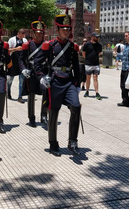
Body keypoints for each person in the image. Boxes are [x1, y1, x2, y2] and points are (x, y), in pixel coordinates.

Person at [35, 10, 82, 157]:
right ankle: (53, 143)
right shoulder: (49, 45)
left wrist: (78, 84)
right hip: (54, 81)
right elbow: (36, 63)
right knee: (53, 112)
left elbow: (76, 67)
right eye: (64, 28)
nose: (67, 31)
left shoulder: (73, 47)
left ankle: (72, 141)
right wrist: (42, 77)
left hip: (68, 81)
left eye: (68, 29)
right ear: (57, 29)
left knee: (76, 106)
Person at [19, 16, 48, 127]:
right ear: (34, 33)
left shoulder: (46, 45)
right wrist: (23, 69)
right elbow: (21, 59)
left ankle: (44, 115)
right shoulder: (28, 45)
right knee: (31, 94)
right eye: (37, 33)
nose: (39, 35)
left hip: (43, 71)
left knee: (45, 92)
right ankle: (31, 117)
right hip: (31, 71)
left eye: (41, 33)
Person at [7, 29, 27, 102]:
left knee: (21, 81)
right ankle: (8, 93)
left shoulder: (25, 41)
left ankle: (20, 96)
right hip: (13, 63)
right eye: (21, 34)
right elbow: (8, 50)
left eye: (23, 35)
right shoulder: (12, 40)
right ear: (18, 33)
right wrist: (16, 49)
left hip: (21, 63)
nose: (22, 36)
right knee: (10, 80)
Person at [83, 32, 103, 100]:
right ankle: (87, 91)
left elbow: (99, 53)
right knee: (88, 77)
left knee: (95, 77)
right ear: (92, 37)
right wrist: (86, 59)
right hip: (88, 63)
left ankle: (97, 92)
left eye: (98, 37)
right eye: (96, 37)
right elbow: (83, 52)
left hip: (96, 64)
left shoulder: (99, 45)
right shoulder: (87, 44)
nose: (97, 38)